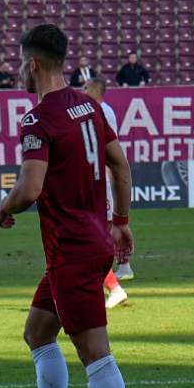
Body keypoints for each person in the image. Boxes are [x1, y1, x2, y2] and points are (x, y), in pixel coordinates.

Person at [0, 24, 137, 388]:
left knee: (95, 351)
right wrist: (120, 221)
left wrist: (4, 206)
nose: (20, 71)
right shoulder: (89, 107)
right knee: (38, 333)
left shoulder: (38, 119)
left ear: (34, 64)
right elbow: (120, 165)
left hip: (72, 249)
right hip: (89, 242)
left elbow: (29, 189)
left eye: (22, 63)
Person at [82, 77, 133, 296]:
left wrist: (106, 172)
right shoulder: (99, 110)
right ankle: (120, 269)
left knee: (104, 228)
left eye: (85, 87)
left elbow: (107, 146)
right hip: (100, 173)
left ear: (95, 90)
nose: (82, 90)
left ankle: (121, 269)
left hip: (102, 175)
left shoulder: (102, 111)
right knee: (105, 226)